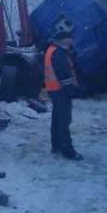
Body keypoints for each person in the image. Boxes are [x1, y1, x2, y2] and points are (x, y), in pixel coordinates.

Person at [44, 30, 83, 160]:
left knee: (57, 119)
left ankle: (56, 145)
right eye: (69, 38)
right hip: (61, 91)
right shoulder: (59, 52)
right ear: (63, 40)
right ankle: (67, 149)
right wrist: (71, 90)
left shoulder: (51, 49)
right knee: (64, 120)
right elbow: (64, 74)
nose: (71, 41)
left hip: (54, 90)